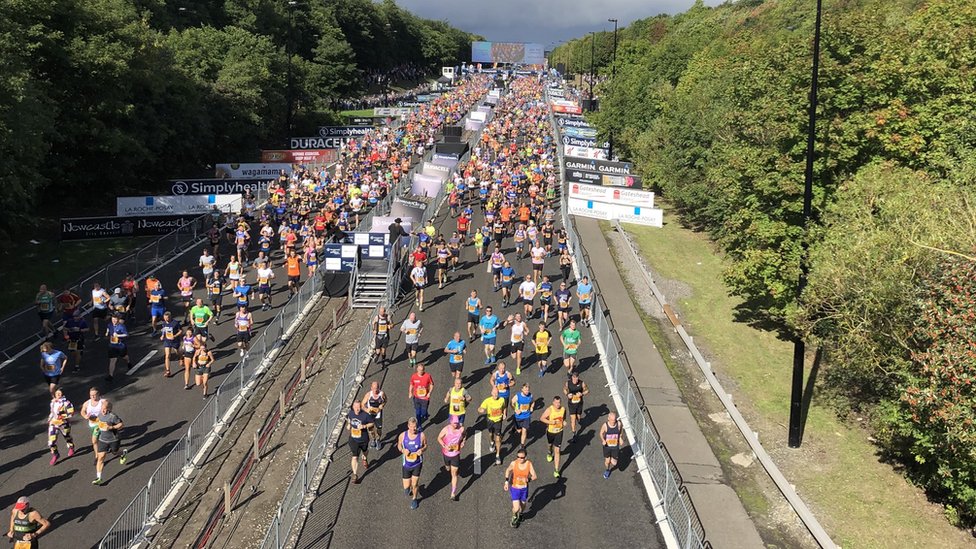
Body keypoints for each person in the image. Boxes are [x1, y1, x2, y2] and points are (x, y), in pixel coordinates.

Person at [92, 400, 127, 485]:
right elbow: (98, 422)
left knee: (115, 452)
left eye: (105, 409)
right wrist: (97, 427)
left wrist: (111, 427)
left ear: (109, 409)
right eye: (102, 408)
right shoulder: (99, 415)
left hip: (114, 439)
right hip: (103, 440)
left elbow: (121, 425)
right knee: (101, 457)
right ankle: (98, 477)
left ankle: (123, 453)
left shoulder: (112, 417)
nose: (103, 410)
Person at [503, 447, 537, 528]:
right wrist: (506, 482)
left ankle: (520, 514)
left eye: (521, 458)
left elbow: (535, 476)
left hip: (524, 489)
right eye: (518, 457)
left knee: (523, 505)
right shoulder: (514, 463)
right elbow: (508, 470)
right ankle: (514, 516)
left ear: (525, 457)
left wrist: (528, 479)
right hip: (515, 488)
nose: (519, 459)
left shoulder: (529, 464)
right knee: (516, 507)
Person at [397, 417, 427, 510]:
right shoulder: (403, 435)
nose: (413, 429)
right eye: (411, 427)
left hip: (417, 464)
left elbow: (426, 445)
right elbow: (399, 445)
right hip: (406, 464)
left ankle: (415, 499)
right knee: (406, 487)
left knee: (414, 484)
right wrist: (402, 450)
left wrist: (422, 450)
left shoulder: (421, 435)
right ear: (408, 426)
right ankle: (409, 488)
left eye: (415, 427)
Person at [346, 400, 374, 484]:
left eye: (358, 407)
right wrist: (349, 425)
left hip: (363, 439)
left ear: (361, 407)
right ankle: (355, 475)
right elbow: (349, 419)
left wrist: (364, 426)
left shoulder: (365, 415)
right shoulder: (351, 413)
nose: (357, 409)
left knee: (365, 451)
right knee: (354, 456)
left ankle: (364, 458)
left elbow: (372, 423)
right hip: (353, 439)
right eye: (355, 407)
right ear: (353, 407)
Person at [437, 418, 466, 501]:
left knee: (454, 473)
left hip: (455, 454)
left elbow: (464, 435)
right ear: (450, 422)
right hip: (446, 454)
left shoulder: (461, 428)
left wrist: (463, 441)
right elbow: (439, 438)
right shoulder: (446, 429)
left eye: (457, 423)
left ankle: (453, 493)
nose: (456, 425)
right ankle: (447, 466)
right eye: (454, 423)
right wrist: (445, 446)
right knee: (447, 468)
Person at [47, 387, 75, 465]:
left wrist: (63, 416)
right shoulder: (52, 402)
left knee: (67, 436)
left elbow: (71, 413)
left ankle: (71, 447)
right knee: (51, 441)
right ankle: (55, 454)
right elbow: (52, 412)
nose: (58, 395)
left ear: (63, 394)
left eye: (60, 393)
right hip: (54, 423)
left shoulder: (67, 403)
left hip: (64, 423)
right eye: (57, 394)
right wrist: (50, 419)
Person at [479, 386, 506, 465]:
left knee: (498, 438)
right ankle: (491, 442)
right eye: (494, 393)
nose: (495, 394)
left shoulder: (502, 400)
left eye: (497, 393)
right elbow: (480, 408)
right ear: (491, 393)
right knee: (491, 434)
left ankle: (497, 455)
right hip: (490, 421)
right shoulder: (487, 401)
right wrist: (481, 410)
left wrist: (504, 414)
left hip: (498, 421)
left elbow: (504, 407)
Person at [540, 396, 566, 478]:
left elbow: (563, 418)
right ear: (553, 402)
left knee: (557, 451)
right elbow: (542, 418)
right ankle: (549, 452)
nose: (558, 404)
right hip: (551, 432)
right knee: (550, 444)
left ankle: (556, 470)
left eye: (559, 402)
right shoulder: (549, 410)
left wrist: (564, 422)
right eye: (556, 402)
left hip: (559, 432)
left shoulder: (563, 409)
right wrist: (551, 422)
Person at [80, 387, 107, 457]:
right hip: (92, 424)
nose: (92, 397)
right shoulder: (87, 403)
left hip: (101, 423)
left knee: (94, 440)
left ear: (98, 394)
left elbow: (109, 408)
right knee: (99, 439)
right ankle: (105, 448)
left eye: (94, 395)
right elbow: (82, 411)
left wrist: (104, 413)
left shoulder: (103, 402)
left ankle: (97, 456)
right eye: (91, 395)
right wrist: (85, 416)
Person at [564, 372, 589, 442]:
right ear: (572, 377)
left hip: (579, 404)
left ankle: (579, 418)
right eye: (574, 378)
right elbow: (565, 389)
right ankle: (574, 434)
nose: (575, 380)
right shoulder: (568, 383)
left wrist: (582, 394)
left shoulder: (582, 383)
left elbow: (587, 390)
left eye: (576, 378)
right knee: (573, 418)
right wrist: (567, 394)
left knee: (578, 417)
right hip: (571, 404)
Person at [600, 411, 626, 479]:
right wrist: (603, 440)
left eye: (614, 420)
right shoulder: (605, 425)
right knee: (607, 461)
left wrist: (620, 438)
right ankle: (607, 470)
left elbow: (621, 431)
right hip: (607, 447)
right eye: (611, 420)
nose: (613, 422)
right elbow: (601, 433)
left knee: (614, 463)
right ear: (608, 418)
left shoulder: (619, 424)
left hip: (615, 447)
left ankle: (613, 458)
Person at [361, 381, 387, 449]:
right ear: (371, 388)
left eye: (377, 388)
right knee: (371, 429)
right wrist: (367, 410)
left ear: (379, 388)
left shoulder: (382, 394)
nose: (375, 390)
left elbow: (385, 400)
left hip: (378, 414)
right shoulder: (368, 395)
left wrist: (382, 405)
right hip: (370, 415)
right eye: (374, 388)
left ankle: (378, 440)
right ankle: (373, 439)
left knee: (379, 428)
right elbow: (362, 404)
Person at [104, 315, 130, 382]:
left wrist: (118, 335)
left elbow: (126, 334)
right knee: (112, 360)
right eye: (113, 320)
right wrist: (107, 332)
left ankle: (128, 362)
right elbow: (108, 328)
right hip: (112, 346)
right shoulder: (110, 325)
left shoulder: (121, 326)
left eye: (115, 320)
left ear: (118, 320)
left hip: (120, 346)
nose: (114, 321)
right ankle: (110, 375)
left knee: (124, 356)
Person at [159, 311, 181, 377]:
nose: (166, 319)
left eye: (167, 318)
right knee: (167, 355)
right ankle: (168, 371)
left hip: (174, 341)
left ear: (170, 317)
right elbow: (163, 330)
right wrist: (162, 336)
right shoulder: (164, 323)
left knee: (177, 352)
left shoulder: (175, 323)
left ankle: (181, 357)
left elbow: (180, 331)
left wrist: (174, 336)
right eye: (164, 318)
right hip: (167, 341)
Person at [511, 383, 534, 448]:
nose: (527, 392)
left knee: (524, 430)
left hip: (526, 416)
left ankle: (522, 445)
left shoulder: (530, 396)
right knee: (519, 430)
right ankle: (515, 427)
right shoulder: (518, 396)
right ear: (522, 390)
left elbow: (533, 401)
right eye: (525, 390)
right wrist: (515, 409)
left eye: (528, 390)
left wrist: (532, 407)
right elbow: (511, 403)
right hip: (518, 416)